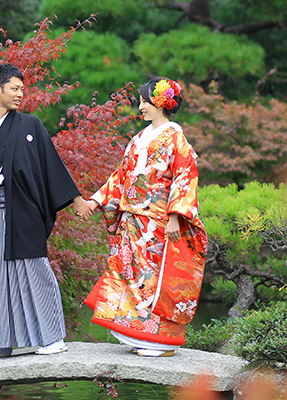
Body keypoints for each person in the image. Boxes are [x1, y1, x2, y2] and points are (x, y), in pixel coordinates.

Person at [0, 63, 89, 361]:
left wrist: (75, 198)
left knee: (34, 270)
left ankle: (51, 338)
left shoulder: (30, 125)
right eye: (15, 88)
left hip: (22, 211)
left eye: (22, 89)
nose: (20, 94)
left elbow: (51, 164)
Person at [78, 77, 208, 357]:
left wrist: (175, 216)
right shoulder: (139, 137)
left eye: (144, 102)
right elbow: (121, 176)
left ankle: (162, 343)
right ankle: (140, 336)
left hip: (159, 222)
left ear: (160, 103)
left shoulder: (175, 137)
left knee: (156, 281)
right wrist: (96, 201)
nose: (140, 107)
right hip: (133, 221)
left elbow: (185, 177)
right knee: (132, 277)